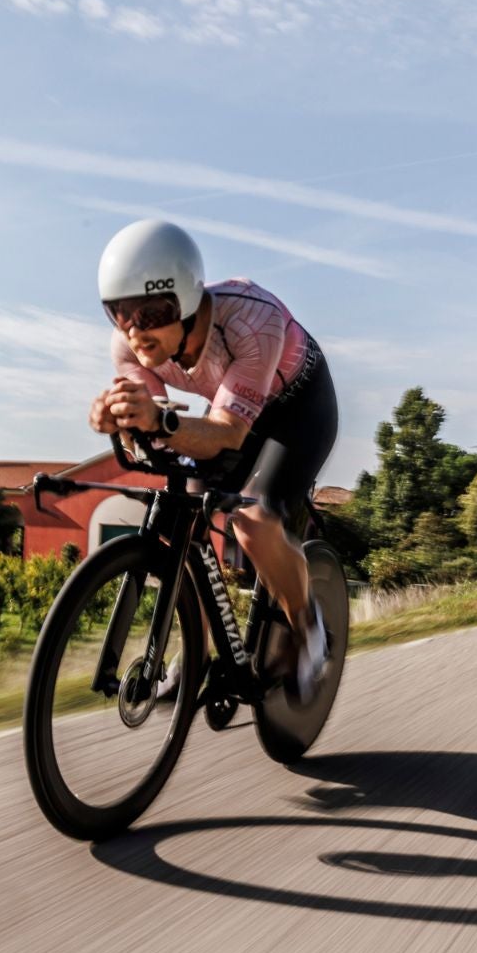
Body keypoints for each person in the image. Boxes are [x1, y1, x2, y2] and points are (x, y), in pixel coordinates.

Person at [88, 219, 339, 695]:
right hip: (234, 407)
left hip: (297, 409)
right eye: (120, 314)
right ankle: (196, 654)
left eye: (153, 313)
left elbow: (227, 432)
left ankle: (310, 630)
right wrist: (122, 419)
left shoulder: (250, 320)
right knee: (187, 518)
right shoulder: (129, 347)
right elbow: (160, 428)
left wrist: (159, 422)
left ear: (185, 300)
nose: (136, 333)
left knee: (253, 519)